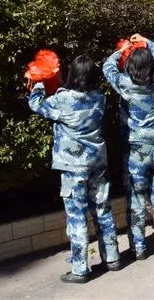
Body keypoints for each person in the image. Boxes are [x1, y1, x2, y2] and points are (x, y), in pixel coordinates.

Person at [28, 55, 120, 284]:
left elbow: (36, 104)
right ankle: (112, 258)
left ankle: (80, 269)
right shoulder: (99, 98)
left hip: (73, 166)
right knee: (102, 209)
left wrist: (39, 81)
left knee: (77, 216)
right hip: (97, 163)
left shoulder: (62, 99)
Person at [103, 34, 154, 259]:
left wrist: (122, 50)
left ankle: (139, 247)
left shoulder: (125, 83)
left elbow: (107, 67)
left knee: (136, 198)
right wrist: (146, 40)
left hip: (135, 150)